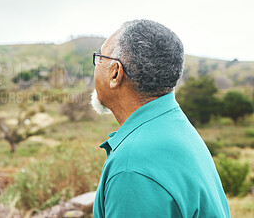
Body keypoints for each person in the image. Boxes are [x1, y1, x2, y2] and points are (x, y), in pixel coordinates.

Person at [91, 20, 230, 217]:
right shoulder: (174, 126)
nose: (95, 67)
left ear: (115, 73)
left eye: (99, 58)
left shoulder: (132, 167)